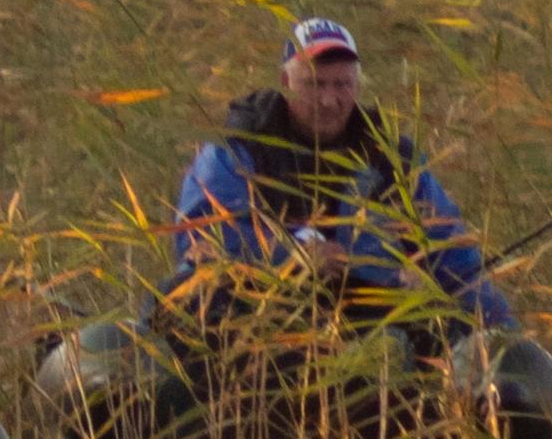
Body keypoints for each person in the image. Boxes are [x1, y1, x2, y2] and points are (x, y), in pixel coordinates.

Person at [167, 18, 517, 341]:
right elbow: (199, 238)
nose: (329, 100)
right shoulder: (240, 149)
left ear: (357, 85)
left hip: (371, 321)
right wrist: (293, 258)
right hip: (262, 316)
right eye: (314, 84)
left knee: (455, 324)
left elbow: (452, 252)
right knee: (185, 295)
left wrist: (503, 336)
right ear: (286, 82)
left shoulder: (390, 158)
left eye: (342, 85)